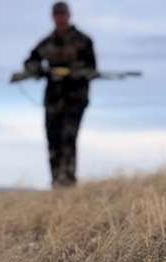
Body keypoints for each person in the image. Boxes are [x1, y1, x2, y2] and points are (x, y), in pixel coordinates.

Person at [23, 2, 96, 187]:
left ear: (69, 15)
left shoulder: (83, 41)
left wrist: (74, 72)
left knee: (68, 137)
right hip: (53, 99)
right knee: (53, 138)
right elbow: (30, 61)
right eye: (57, 14)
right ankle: (56, 180)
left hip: (75, 98)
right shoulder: (47, 42)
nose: (60, 18)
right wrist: (40, 70)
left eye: (62, 14)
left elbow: (91, 68)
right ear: (53, 17)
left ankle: (68, 179)